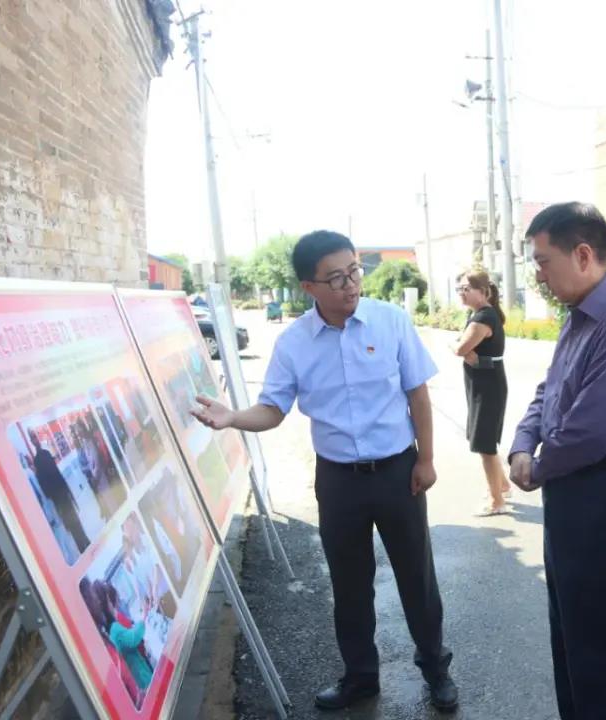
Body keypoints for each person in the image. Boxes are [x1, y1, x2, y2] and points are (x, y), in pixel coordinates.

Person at [191, 230, 457, 712]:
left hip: (398, 473)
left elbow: (417, 393)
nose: (350, 284)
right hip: (338, 481)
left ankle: (436, 668)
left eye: (354, 271)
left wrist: (426, 459)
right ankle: (360, 677)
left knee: (416, 576)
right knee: (349, 585)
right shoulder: (294, 343)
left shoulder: (390, 321)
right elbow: (273, 410)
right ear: (308, 287)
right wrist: (232, 418)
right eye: (335, 278)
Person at [509, 202, 606, 720]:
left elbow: (591, 430)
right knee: (573, 633)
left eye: (542, 261)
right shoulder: (581, 314)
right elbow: (550, 391)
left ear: (582, 255)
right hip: (574, 488)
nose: (538, 275)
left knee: (605, 643)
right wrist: (522, 443)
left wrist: (537, 467)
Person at [452, 269, 512, 516]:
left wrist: (456, 346)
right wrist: (462, 348)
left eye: (467, 288)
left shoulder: (484, 318)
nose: (462, 293)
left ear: (483, 291)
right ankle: (503, 485)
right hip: (483, 385)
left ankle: (497, 502)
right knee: (484, 440)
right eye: (459, 289)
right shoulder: (480, 315)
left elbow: (460, 348)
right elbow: (464, 348)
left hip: (487, 388)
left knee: (484, 444)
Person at [30, 432, 91, 553]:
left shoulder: (45, 455)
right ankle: (82, 543)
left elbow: (54, 476)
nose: (35, 440)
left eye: (35, 437)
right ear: (32, 441)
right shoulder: (39, 459)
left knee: (72, 518)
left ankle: (83, 541)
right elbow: (45, 483)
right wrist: (55, 494)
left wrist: (64, 491)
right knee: (70, 520)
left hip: (60, 493)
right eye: (33, 438)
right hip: (58, 495)